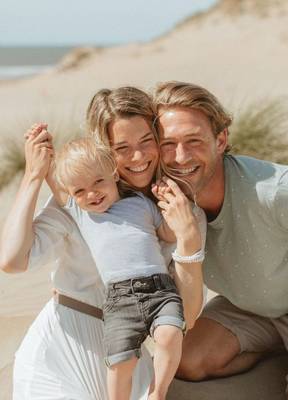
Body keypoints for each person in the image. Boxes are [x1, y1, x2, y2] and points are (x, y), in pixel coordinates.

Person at [0, 86, 205, 400]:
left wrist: (188, 238)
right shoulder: (83, 198)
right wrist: (32, 175)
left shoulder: (178, 207)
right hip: (62, 348)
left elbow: (186, 317)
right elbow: (12, 261)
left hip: (128, 353)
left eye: (146, 141)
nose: (137, 157)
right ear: (106, 152)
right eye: (122, 147)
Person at [153, 80, 288, 400]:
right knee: (185, 361)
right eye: (168, 144)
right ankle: (279, 353)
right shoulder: (162, 204)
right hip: (249, 309)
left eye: (194, 140)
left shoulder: (277, 191)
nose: (180, 157)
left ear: (220, 140)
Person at [51, 137, 204, 400]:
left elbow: (167, 234)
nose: (91, 194)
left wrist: (173, 211)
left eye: (98, 181)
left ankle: (158, 392)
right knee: (121, 362)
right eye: (79, 191)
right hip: (119, 299)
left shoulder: (140, 204)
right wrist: (42, 156)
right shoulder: (80, 213)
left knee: (169, 335)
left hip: (159, 289)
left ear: (113, 172)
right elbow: (55, 184)